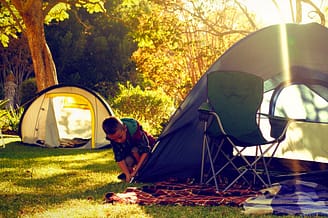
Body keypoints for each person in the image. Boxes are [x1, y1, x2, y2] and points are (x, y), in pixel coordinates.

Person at [102, 116, 156, 182]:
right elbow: (119, 158)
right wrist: (127, 174)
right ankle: (131, 174)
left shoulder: (136, 132)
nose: (118, 141)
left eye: (120, 137)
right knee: (128, 160)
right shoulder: (114, 138)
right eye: (114, 139)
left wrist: (136, 171)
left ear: (125, 129)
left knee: (135, 150)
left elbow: (146, 151)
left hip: (149, 153)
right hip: (132, 152)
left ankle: (141, 171)